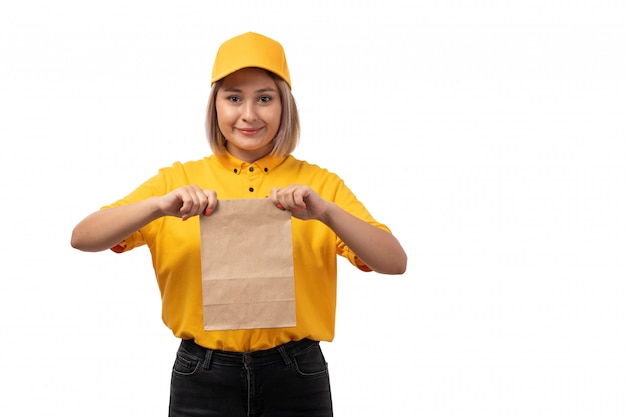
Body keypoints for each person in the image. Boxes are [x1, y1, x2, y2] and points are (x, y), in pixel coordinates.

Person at [71, 31, 407, 417]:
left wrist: (327, 213)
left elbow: (394, 263)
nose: (249, 114)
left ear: (285, 107)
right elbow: (82, 238)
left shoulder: (319, 185)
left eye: (265, 98)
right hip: (202, 376)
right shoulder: (176, 181)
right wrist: (158, 206)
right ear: (214, 105)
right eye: (234, 98)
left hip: (296, 374)